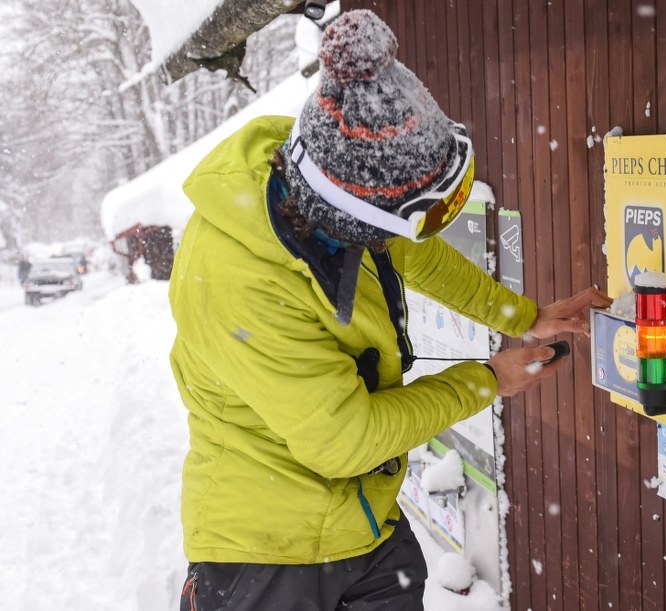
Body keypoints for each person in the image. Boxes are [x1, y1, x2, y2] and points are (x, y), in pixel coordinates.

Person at [169, 10, 611, 610]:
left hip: (360, 523)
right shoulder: (242, 281)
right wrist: (486, 381)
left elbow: (410, 253)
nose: (411, 236)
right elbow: (347, 440)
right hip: (264, 551)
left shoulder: (321, 175)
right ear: (352, 220)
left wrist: (521, 316)